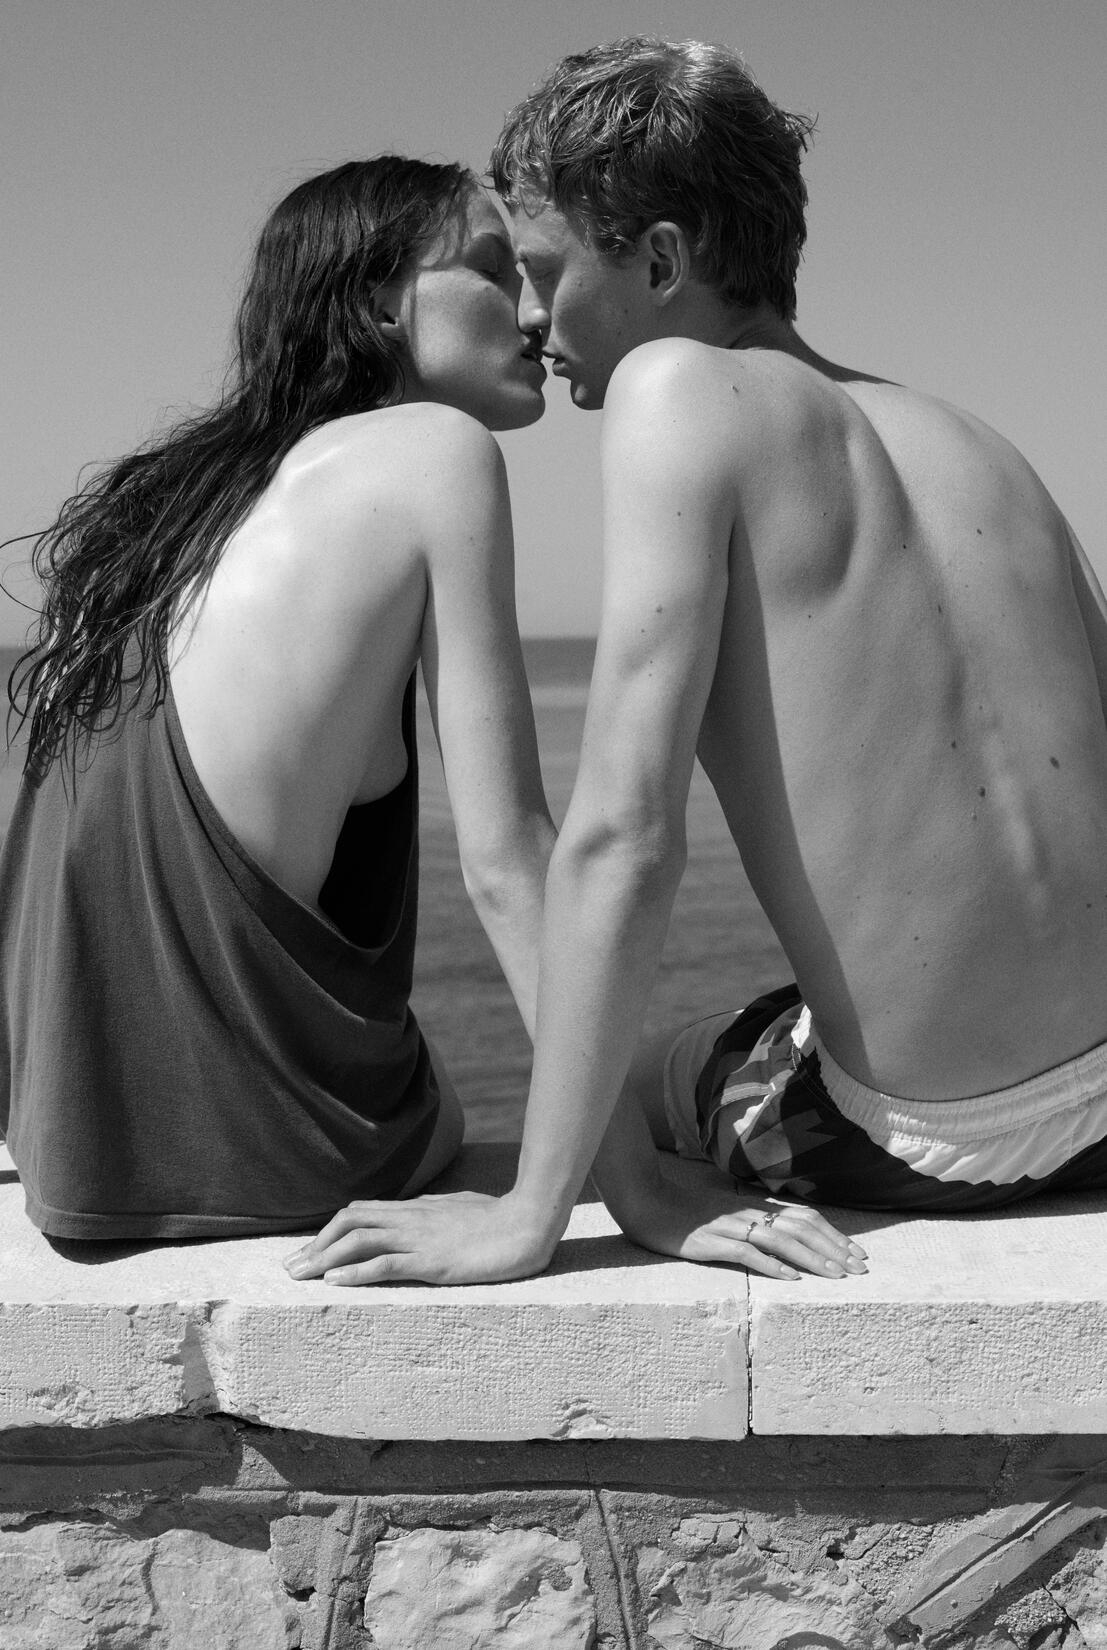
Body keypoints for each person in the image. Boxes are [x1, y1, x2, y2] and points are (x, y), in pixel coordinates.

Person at [288, 36, 1107, 1291]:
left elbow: (625, 836)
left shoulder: (681, 391)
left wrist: (531, 1217)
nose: (528, 319)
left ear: (663, 260)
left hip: (947, 1141)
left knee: (659, 1072)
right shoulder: (982, 446)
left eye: (545, 273)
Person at [1, 156, 555, 1240]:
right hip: (257, 1157)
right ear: (380, 300)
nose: (535, 311)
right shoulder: (436, 452)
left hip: (65, 1142)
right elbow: (510, 860)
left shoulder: (177, 514)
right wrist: (620, 1190)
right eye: (494, 270)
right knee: (655, 1079)